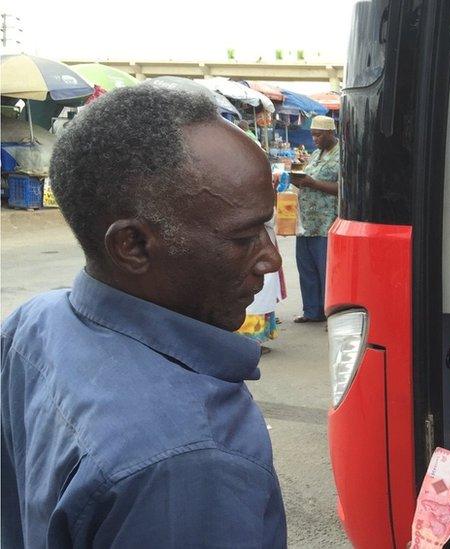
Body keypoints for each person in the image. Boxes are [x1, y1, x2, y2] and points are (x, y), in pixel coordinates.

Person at [1, 86, 287, 547]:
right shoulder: (190, 459)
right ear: (131, 246)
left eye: (267, 229)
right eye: (244, 237)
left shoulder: (32, 324)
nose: (271, 259)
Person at [289, 115, 339, 324]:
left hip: (327, 221)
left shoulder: (342, 155)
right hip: (306, 223)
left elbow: (344, 188)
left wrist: (312, 183)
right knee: (307, 269)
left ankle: (331, 314)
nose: (314, 139)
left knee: (326, 270)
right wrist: (298, 180)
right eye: (312, 135)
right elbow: (308, 180)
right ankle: (312, 311)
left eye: (318, 135)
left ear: (329, 133)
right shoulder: (315, 154)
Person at [237, 218, 286, 354]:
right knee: (258, 296)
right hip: (258, 248)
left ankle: (247, 340)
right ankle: (251, 342)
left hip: (250, 247)